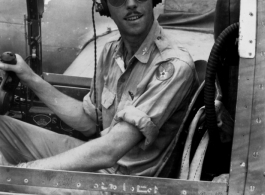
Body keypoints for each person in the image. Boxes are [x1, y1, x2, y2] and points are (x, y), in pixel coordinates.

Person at [0, 0, 199, 193]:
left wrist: (21, 173)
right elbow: (89, 121)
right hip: (100, 165)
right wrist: (30, 78)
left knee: (11, 181)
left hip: (124, 185)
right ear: (103, 7)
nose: (130, 4)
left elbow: (110, 150)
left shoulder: (173, 67)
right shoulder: (111, 52)